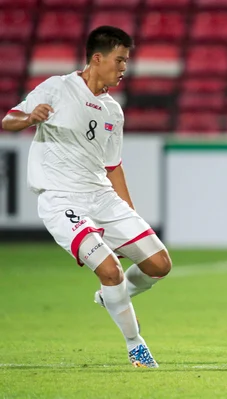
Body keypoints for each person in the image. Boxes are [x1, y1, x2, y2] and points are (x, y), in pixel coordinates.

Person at [1, 26, 171, 368]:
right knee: (110, 271)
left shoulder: (113, 111)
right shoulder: (58, 87)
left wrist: (129, 214)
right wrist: (30, 118)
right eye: (120, 60)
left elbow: (114, 167)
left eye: (127, 61)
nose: (124, 68)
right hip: (61, 199)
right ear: (97, 58)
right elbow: (9, 119)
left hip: (102, 196)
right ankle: (135, 345)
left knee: (159, 264)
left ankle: (111, 299)